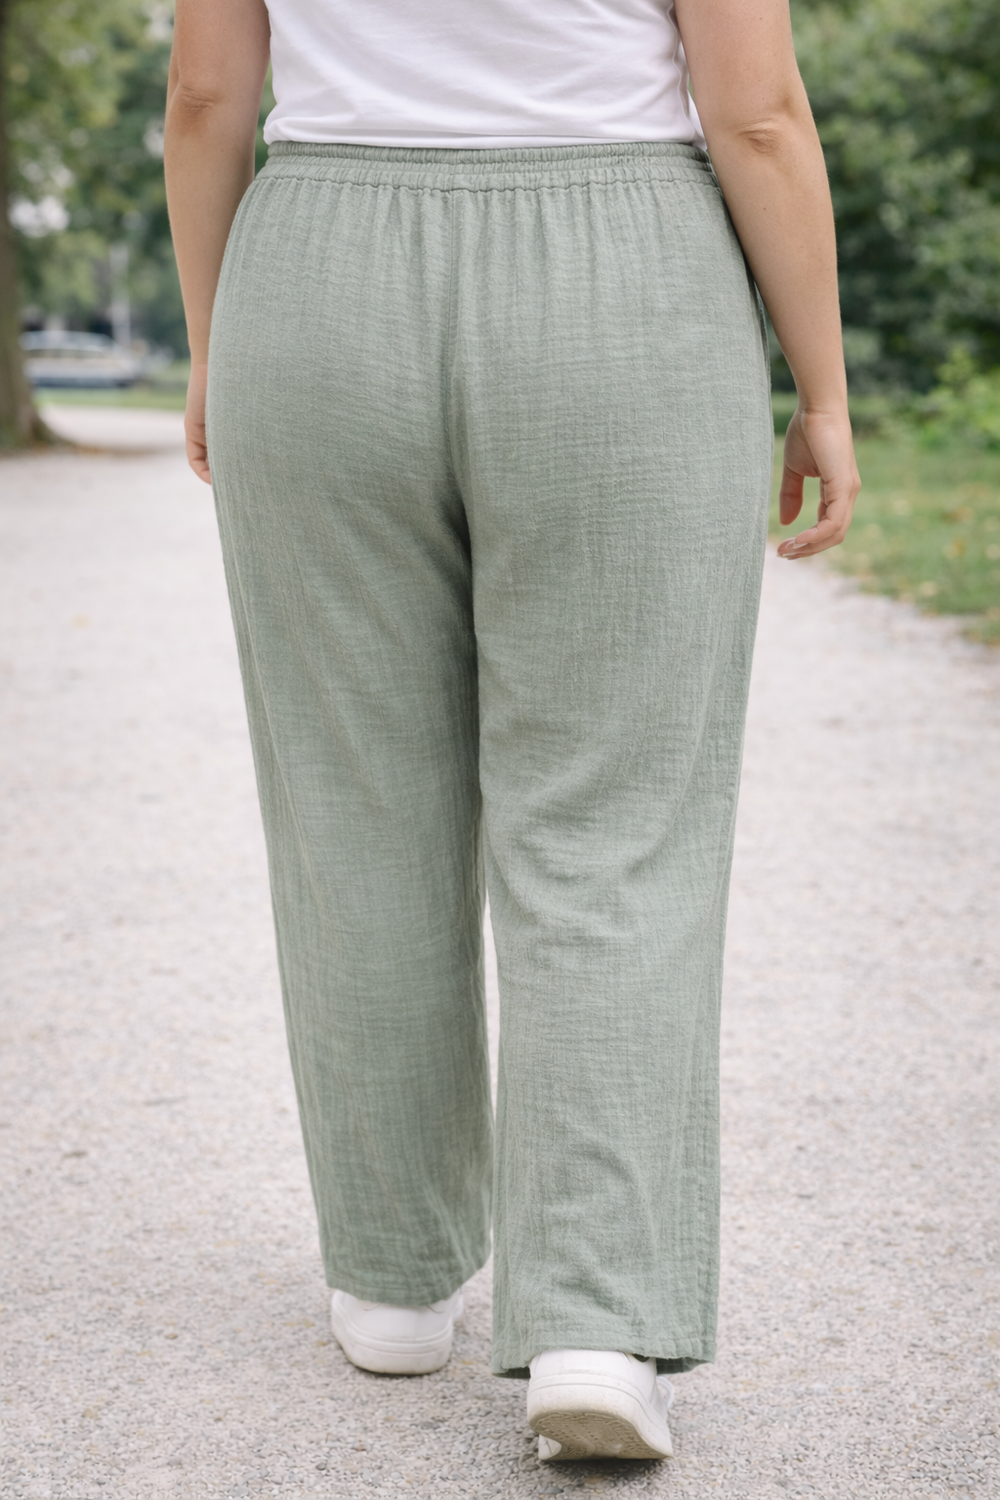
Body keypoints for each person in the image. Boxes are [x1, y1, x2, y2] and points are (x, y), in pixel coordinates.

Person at [164, 0, 859, 1463]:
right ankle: (596, 1324)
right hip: (624, 277)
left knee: (354, 803)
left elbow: (208, 96)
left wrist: (223, 340)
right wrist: (825, 388)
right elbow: (754, 113)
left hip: (318, 278)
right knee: (613, 821)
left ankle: (393, 1282)